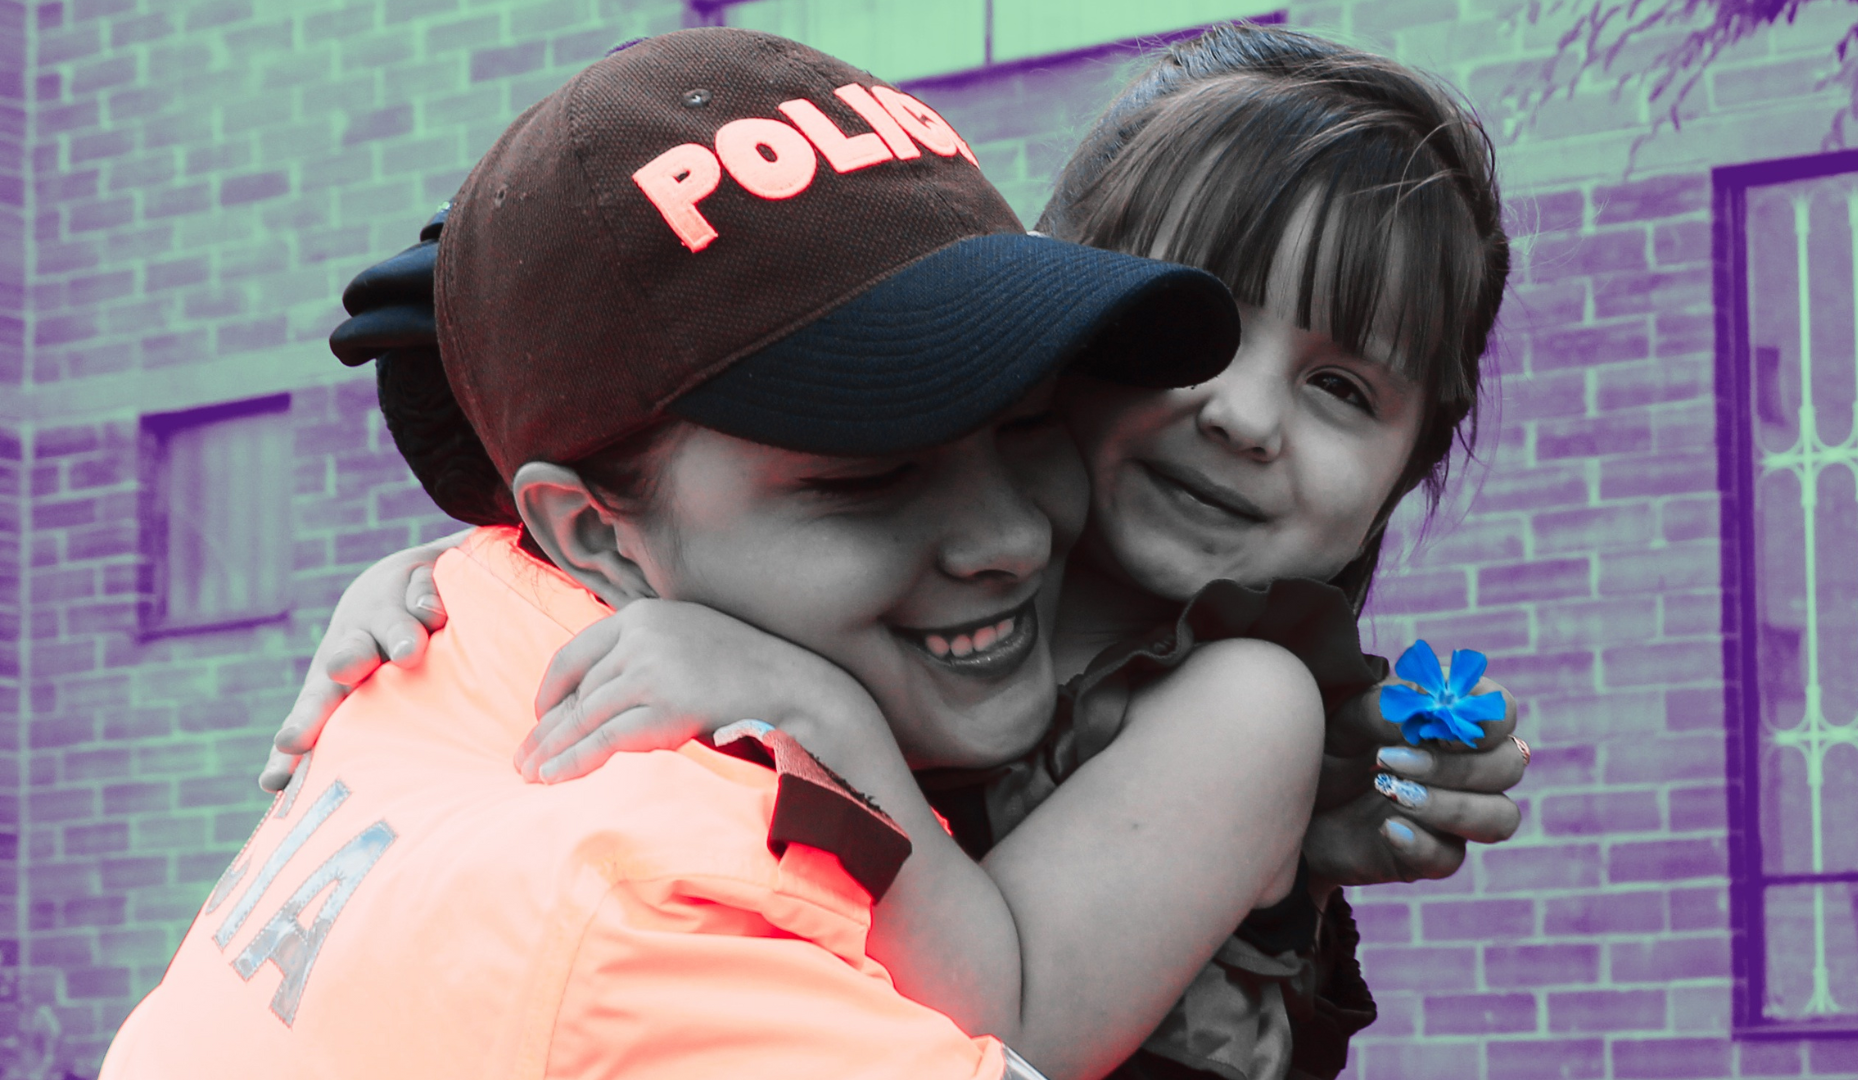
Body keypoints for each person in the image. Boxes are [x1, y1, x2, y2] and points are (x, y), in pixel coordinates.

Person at [264, 25, 1530, 1080]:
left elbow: (1014, 1015)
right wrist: (440, 596)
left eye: (1342, 388)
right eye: (1202, 332)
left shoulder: (1247, 705)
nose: (1243, 416)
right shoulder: (929, 591)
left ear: (1406, 473)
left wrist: (815, 712)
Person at [99, 28, 1268, 1080]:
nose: (1012, 538)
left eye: (1027, 420)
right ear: (591, 532)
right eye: (869, 477)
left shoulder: (464, 620)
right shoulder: (675, 934)